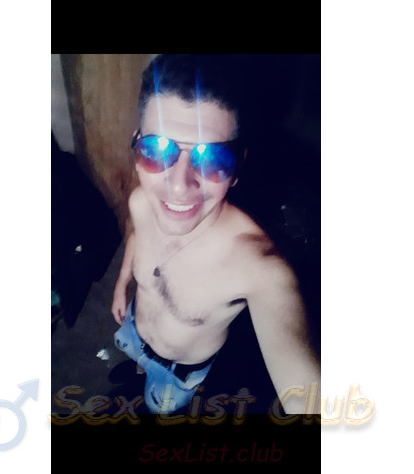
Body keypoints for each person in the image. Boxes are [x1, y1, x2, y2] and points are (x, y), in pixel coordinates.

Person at [110, 54, 319, 415]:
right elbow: (136, 235)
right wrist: (122, 282)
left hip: (178, 375)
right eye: (157, 150)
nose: (179, 186)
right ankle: (138, 367)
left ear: (236, 169)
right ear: (137, 147)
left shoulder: (260, 268)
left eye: (212, 159)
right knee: (136, 365)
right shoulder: (141, 201)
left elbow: (307, 395)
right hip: (134, 332)